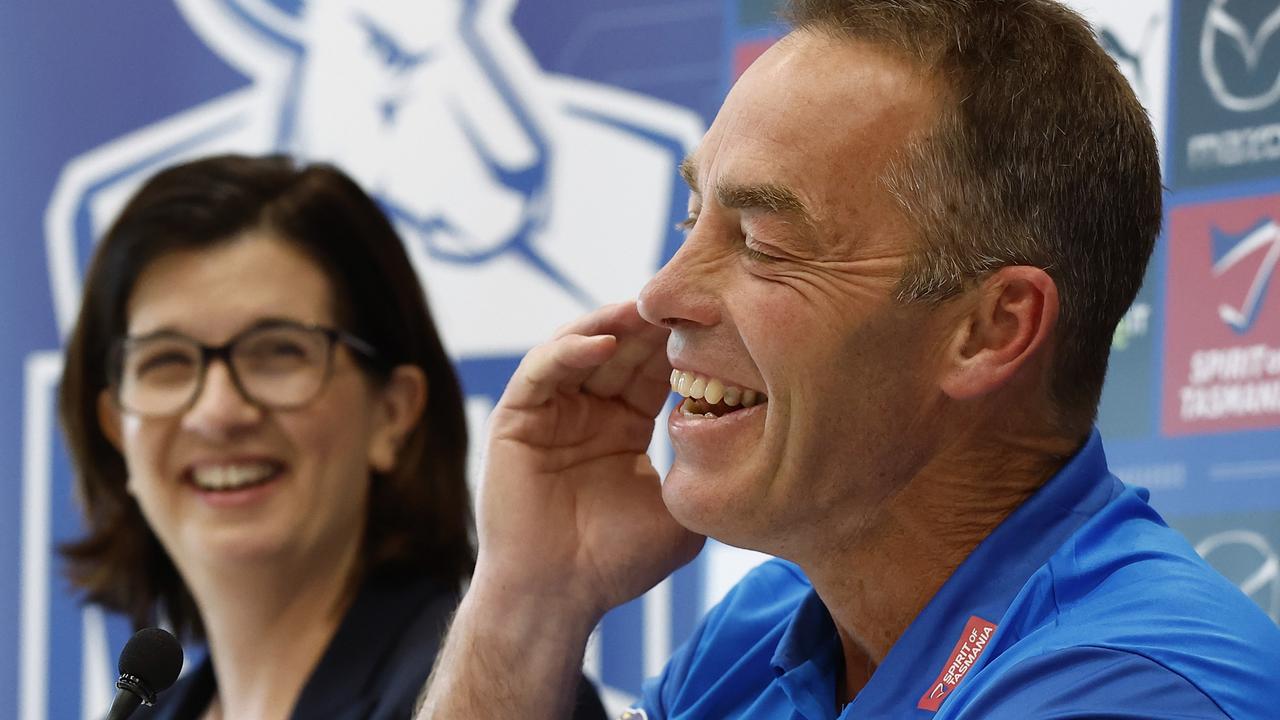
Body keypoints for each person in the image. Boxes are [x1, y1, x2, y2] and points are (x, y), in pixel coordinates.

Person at [415, 1, 1280, 719]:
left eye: (764, 241)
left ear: (992, 330)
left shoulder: (1134, 685)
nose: (661, 294)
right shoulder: (762, 630)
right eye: (692, 221)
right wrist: (529, 599)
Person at [59, 154, 605, 719]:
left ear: (392, 413)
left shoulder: (506, 695)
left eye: (278, 351)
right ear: (115, 428)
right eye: (166, 361)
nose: (218, 412)